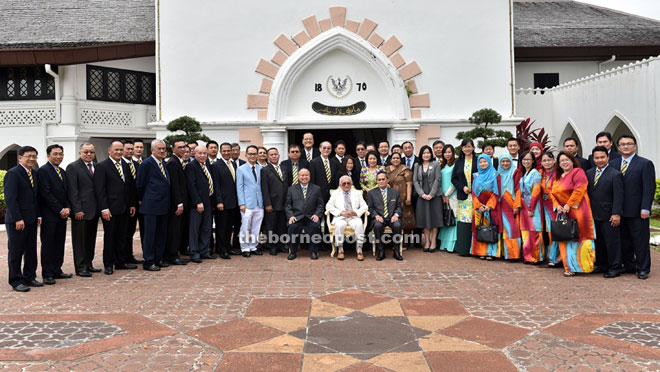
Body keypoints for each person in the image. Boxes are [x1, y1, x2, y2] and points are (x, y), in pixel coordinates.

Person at [609, 135, 655, 280]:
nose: (626, 147)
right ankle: (629, 265)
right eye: (622, 144)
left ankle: (643, 268)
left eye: (629, 144)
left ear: (635, 146)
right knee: (624, 241)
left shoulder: (645, 164)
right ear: (618, 147)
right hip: (619, 211)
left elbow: (649, 188)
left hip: (637, 211)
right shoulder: (613, 163)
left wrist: (646, 208)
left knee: (640, 241)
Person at [94, 140, 138, 275]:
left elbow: (129, 186)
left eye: (121, 150)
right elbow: (100, 190)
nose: (119, 152)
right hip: (110, 209)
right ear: (109, 150)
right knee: (110, 237)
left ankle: (121, 261)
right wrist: (104, 208)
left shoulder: (126, 165)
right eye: (116, 150)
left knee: (122, 235)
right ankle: (108, 264)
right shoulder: (102, 166)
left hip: (124, 208)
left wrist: (131, 204)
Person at [550, 151, 596, 276]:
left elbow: (580, 189)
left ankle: (583, 266)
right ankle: (568, 267)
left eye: (566, 160)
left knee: (580, 237)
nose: (564, 163)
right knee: (565, 239)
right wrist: (557, 206)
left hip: (579, 211)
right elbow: (551, 192)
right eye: (561, 161)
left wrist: (569, 205)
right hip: (563, 213)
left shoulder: (578, 172)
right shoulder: (557, 176)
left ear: (572, 161)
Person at [5, 146, 42, 292]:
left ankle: (30, 277)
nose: (32, 159)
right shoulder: (13, 174)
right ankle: (16, 281)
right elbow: (11, 199)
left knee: (31, 250)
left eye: (34, 156)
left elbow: (35, 198)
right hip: (18, 221)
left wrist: (38, 215)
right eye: (29, 156)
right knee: (16, 251)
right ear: (20, 157)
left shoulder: (34, 173)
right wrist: (17, 219)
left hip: (31, 219)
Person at [37, 144, 73, 285]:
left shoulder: (62, 172)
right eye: (55, 154)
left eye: (61, 154)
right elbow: (46, 194)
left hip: (62, 215)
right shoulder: (43, 171)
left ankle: (57, 269)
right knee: (48, 245)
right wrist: (60, 209)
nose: (59, 157)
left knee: (59, 243)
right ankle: (47, 273)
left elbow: (66, 193)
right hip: (49, 216)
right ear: (48, 155)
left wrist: (68, 208)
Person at [587, 146, 623, 278]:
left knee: (612, 242)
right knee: (599, 241)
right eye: (597, 158)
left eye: (602, 157)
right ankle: (602, 265)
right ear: (593, 158)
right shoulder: (589, 173)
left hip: (609, 215)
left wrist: (616, 213)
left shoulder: (615, 174)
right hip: (594, 214)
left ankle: (615, 267)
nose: (600, 160)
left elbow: (619, 196)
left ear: (608, 157)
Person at [135, 139, 171, 271]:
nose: (162, 151)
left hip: (163, 205)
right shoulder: (146, 164)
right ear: (152, 150)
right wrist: (143, 199)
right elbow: (140, 184)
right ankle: (149, 261)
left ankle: (158, 258)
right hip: (151, 205)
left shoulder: (163, 163)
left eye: (163, 149)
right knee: (150, 234)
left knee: (161, 234)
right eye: (159, 149)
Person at [66, 143, 99, 277]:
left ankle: (88, 263)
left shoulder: (97, 167)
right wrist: (77, 209)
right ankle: (80, 267)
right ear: (80, 153)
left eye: (91, 152)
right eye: (86, 152)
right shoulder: (73, 167)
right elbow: (72, 191)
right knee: (80, 241)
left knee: (91, 239)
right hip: (81, 211)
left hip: (94, 210)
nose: (89, 154)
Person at [186, 145, 217, 263]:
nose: (203, 156)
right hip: (197, 204)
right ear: (195, 154)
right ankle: (194, 253)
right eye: (200, 153)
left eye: (205, 153)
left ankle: (204, 251)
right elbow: (191, 186)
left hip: (208, 202)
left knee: (206, 228)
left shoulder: (208, 165)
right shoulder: (191, 166)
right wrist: (198, 202)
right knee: (194, 229)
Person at [326, 175, 368, 260]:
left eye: (348, 183)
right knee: (339, 225)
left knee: (359, 225)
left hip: (354, 217)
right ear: (340, 185)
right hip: (341, 217)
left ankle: (359, 250)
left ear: (351, 184)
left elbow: (365, 206)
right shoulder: (335, 193)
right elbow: (328, 206)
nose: (346, 185)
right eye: (344, 183)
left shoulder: (357, 193)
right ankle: (340, 249)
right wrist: (341, 213)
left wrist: (355, 212)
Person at [285, 169, 324, 260]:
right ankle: (293, 252)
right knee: (292, 228)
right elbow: (287, 205)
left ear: (309, 177)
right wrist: (291, 216)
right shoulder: (291, 189)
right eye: (302, 175)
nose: (304, 177)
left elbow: (320, 204)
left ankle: (314, 252)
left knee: (314, 228)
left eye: (306, 175)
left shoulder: (316, 189)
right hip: (297, 217)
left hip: (310, 217)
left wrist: (317, 215)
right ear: (298, 177)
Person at [211, 142, 240, 258]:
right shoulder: (216, 165)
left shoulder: (233, 164)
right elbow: (216, 185)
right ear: (220, 152)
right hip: (222, 202)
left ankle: (228, 247)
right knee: (221, 227)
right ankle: (221, 249)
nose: (227, 153)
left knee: (229, 227)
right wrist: (219, 201)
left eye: (229, 151)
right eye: (224, 151)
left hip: (233, 202)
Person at [413, 145, 444, 252]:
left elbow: (438, 179)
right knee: (424, 219)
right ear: (421, 155)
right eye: (424, 153)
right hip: (422, 196)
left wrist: (431, 194)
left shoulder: (435, 164)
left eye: (428, 153)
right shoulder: (417, 165)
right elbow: (415, 181)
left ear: (431, 154)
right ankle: (426, 241)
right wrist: (422, 194)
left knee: (435, 218)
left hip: (434, 196)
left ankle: (433, 241)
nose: (426, 155)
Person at [164, 140, 190, 266]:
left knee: (178, 230)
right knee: (174, 231)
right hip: (176, 205)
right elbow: (174, 186)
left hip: (181, 203)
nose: (182, 149)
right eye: (179, 147)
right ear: (173, 149)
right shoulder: (173, 163)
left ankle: (175, 253)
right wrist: (179, 203)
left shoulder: (179, 161)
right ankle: (172, 256)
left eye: (184, 147)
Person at [471, 154, 501, 259]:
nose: (483, 164)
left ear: (489, 162)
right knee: (479, 228)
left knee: (490, 228)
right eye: (480, 162)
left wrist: (489, 206)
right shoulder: (476, 176)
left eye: (485, 161)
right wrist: (478, 205)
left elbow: (496, 192)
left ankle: (491, 253)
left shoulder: (495, 175)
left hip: (490, 208)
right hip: (479, 208)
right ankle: (480, 252)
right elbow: (474, 192)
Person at [368, 171, 403, 261]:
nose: (381, 181)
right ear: (376, 181)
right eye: (379, 180)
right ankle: (381, 251)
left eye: (383, 179)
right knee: (377, 226)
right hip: (379, 218)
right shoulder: (372, 193)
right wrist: (376, 216)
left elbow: (399, 206)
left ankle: (396, 251)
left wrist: (396, 215)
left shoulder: (395, 192)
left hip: (392, 217)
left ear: (387, 180)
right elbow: (370, 208)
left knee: (397, 225)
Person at [236, 145, 264, 257]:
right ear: (246, 155)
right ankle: (244, 248)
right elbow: (239, 187)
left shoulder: (261, 169)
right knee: (245, 226)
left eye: (254, 154)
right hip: (247, 204)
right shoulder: (241, 169)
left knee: (256, 226)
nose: (253, 156)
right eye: (250, 154)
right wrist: (241, 203)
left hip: (259, 203)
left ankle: (253, 246)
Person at [452, 139, 478, 256]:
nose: (467, 149)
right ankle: (463, 249)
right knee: (464, 222)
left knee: (476, 221)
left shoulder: (478, 161)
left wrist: (475, 187)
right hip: (464, 197)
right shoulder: (459, 162)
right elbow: (454, 179)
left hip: (476, 196)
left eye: (469, 146)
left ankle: (475, 249)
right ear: (462, 149)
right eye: (464, 147)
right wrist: (462, 187)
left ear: (473, 147)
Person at [261, 148, 289, 256]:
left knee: (281, 226)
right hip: (272, 203)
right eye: (271, 155)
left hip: (283, 203)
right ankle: (272, 246)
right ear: (268, 157)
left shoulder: (284, 168)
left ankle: (281, 245)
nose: (273, 156)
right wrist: (267, 203)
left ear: (279, 155)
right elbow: (264, 188)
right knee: (271, 226)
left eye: (275, 154)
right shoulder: (265, 170)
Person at [519, 151, 544, 264]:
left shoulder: (535, 174)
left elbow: (536, 192)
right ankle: (528, 256)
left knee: (535, 232)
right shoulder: (525, 174)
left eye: (528, 159)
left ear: (533, 160)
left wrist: (531, 208)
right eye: (524, 159)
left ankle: (536, 257)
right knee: (526, 232)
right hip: (524, 207)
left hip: (533, 208)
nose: (526, 161)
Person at [387, 152, 416, 248]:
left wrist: (408, 198)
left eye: (397, 158)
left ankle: (404, 243)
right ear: (391, 160)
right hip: (390, 199)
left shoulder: (405, 169)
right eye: (394, 158)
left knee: (405, 220)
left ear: (400, 159)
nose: (395, 160)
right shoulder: (386, 169)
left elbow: (409, 184)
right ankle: (393, 242)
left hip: (403, 198)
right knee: (392, 218)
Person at [122, 140, 144, 265]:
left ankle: (129, 255)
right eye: (129, 149)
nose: (131, 151)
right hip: (125, 204)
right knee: (124, 232)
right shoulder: (121, 165)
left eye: (132, 149)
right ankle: (123, 256)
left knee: (130, 231)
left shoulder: (137, 165)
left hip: (137, 204)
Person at [496, 154, 522, 260]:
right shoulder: (498, 173)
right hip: (500, 204)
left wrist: (516, 205)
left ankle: (513, 254)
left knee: (512, 229)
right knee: (501, 228)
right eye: (503, 161)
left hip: (511, 203)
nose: (505, 163)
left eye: (507, 161)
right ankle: (502, 253)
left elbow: (518, 189)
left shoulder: (515, 172)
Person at [540, 152, 561, 267]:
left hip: (556, 206)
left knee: (556, 231)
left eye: (549, 160)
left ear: (554, 161)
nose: (547, 162)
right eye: (544, 160)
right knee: (548, 232)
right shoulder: (541, 173)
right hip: (544, 206)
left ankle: (555, 258)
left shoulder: (558, 173)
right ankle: (551, 256)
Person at [437, 145, 458, 252]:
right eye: (445, 152)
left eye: (449, 152)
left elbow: (455, 180)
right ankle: (444, 244)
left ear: (453, 153)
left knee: (453, 217)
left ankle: (453, 245)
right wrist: (442, 194)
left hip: (453, 194)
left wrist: (448, 194)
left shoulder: (456, 164)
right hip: (442, 195)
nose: (447, 154)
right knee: (446, 217)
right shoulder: (441, 165)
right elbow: (439, 182)